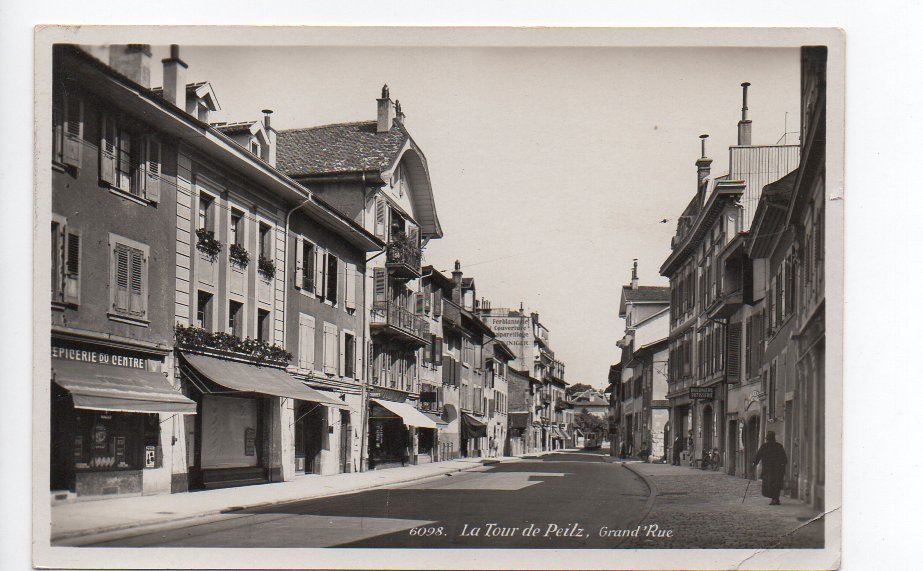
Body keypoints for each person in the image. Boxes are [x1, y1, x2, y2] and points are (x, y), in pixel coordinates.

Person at [752, 431, 788, 505]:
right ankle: (775, 499)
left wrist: (754, 463)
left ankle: (774, 499)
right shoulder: (779, 446)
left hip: (768, 469)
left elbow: (758, 456)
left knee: (769, 484)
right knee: (776, 484)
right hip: (778, 470)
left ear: (767, 439)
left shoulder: (764, 446)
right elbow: (784, 459)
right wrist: (782, 466)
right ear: (774, 438)